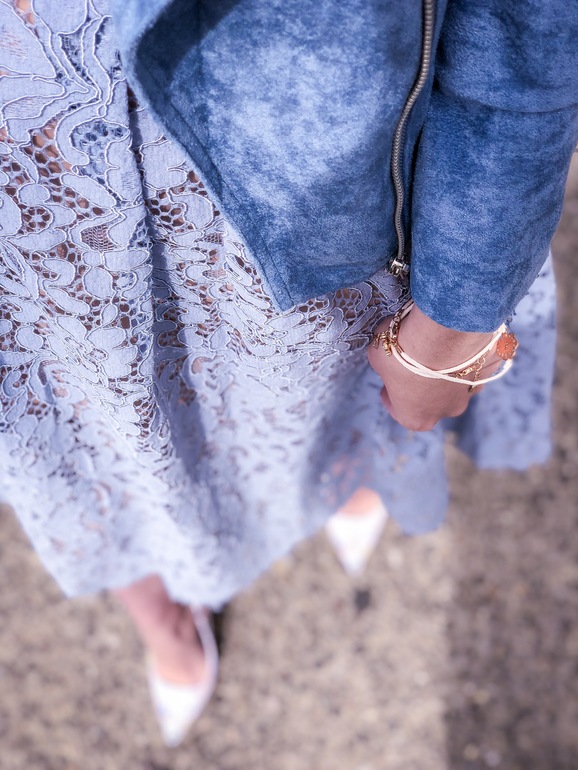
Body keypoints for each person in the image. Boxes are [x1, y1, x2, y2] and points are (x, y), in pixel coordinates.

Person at [0, 0, 576, 747]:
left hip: (281, 191)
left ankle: (353, 476)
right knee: (76, 428)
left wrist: (448, 334)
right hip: (23, 218)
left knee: (337, 381)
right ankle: (161, 612)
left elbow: (525, 32)